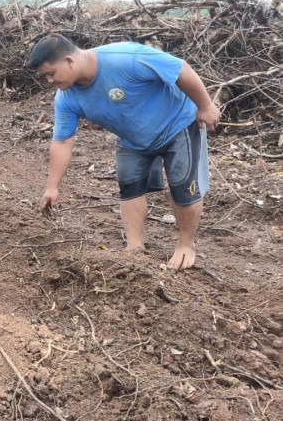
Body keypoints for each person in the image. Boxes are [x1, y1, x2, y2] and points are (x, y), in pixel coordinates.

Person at [26, 34, 221, 270]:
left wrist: (205, 105)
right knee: (129, 187)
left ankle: (185, 245)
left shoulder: (125, 58)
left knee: (182, 186)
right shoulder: (66, 98)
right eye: (45, 76)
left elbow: (180, 68)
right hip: (132, 139)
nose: (49, 80)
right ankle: (134, 249)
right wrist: (52, 187)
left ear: (69, 61)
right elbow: (62, 142)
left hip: (177, 125)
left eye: (51, 73)